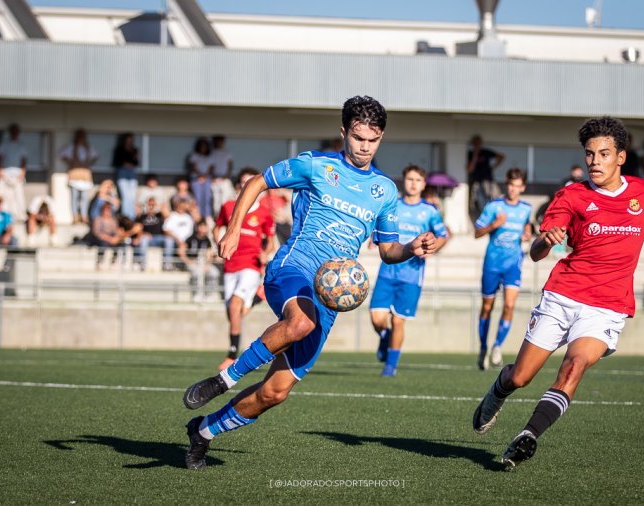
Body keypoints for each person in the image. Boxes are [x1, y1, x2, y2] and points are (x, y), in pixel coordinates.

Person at [180, 96, 439, 471]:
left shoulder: (385, 191)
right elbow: (258, 182)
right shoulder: (316, 165)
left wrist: (413, 248)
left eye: (373, 139)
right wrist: (234, 229)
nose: (364, 146)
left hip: (330, 298)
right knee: (300, 323)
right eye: (357, 137)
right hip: (293, 268)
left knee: (275, 392)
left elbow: (387, 250)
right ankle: (225, 378)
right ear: (344, 133)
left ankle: (203, 432)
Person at [471, 116, 644, 469]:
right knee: (521, 376)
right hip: (563, 295)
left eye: (603, 153)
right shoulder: (572, 195)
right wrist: (544, 241)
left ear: (621, 157)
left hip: (607, 306)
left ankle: (528, 435)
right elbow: (539, 250)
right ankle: (498, 390)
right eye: (589, 154)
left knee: (575, 365)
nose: (594, 161)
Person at [369, 164, 448, 377]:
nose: (413, 183)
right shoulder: (392, 205)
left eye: (418, 180)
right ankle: (385, 338)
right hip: (387, 272)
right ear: (404, 181)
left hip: (411, 276)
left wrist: (431, 249)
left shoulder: (429, 211)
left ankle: (390, 367)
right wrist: (372, 238)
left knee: (397, 320)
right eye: (410, 179)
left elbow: (443, 235)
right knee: (377, 319)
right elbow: (379, 225)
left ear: (423, 185)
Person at [213, 167, 276, 370]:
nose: (246, 186)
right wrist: (219, 244)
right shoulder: (228, 206)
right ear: (238, 185)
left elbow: (270, 241)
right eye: (243, 182)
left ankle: (232, 355)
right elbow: (217, 228)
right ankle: (259, 297)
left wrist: (265, 253)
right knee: (234, 311)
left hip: (251, 264)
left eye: (251, 182)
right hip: (231, 264)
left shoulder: (265, 212)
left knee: (234, 306)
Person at [474, 168, 532, 370]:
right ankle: (483, 347)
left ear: (522, 187)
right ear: (506, 185)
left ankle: (497, 346)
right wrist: (494, 225)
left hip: (513, 265)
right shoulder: (494, 206)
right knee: (487, 308)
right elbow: (477, 233)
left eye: (517, 186)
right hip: (492, 263)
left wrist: (527, 233)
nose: (513, 189)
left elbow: (527, 228)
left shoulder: (526, 208)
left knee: (509, 306)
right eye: (510, 185)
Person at [60, 128, 98, 224]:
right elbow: (62, 155)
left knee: (84, 197)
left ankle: (84, 215)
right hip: (75, 174)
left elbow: (95, 156)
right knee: (75, 196)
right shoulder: (72, 147)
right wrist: (71, 162)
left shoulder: (88, 148)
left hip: (85, 175)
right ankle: (75, 216)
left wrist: (88, 163)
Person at [466, 135, 505, 222]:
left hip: (489, 181)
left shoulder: (485, 152)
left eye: (479, 143)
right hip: (477, 182)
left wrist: (493, 167)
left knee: (494, 200)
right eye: (475, 143)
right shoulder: (470, 154)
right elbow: (469, 169)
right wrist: (475, 156)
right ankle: (484, 220)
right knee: (480, 203)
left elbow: (501, 157)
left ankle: (495, 218)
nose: (477, 145)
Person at [0, 123, 28, 222]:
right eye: (13, 131)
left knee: (18, 197)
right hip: (5, 174)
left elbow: (24, 159)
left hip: (17, 175)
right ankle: (0, 214)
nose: (15, 134)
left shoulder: (21, 145)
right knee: (0, 194)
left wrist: (23, 171)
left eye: (16, 132)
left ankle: (20, 216)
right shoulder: (5, 144)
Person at [135, 197, 174, 271]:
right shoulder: (142, 216)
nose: (151, 206)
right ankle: (143, 263)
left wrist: (158, 206)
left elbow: (168, 215)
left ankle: (167, 264)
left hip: (159, 237)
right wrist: (145, 233)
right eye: (149, 204)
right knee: (143, 239)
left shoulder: (159, 215)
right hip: (148, 238)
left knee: (169, 240)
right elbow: (138, 228)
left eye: (153, 204)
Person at [112, 133, 140, 220]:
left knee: (131, 196)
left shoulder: (134, 150)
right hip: (122, 173)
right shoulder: (119, 150)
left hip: (131, 174)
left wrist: (132, 163)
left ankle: (132, 216)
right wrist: (125, 164)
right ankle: (125, 217)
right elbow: (116, 162)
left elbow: (136, 162)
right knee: (125, 196)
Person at [163, 198, 196, 270]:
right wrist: (178, 241)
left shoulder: (189, 217)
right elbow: (166, 231)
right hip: (175, 241)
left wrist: (192, 209)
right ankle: (168, 264)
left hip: (188, 241)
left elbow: (198, 221)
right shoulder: (172, 215)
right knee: (169, 241)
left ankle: (191, 264)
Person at [188, 137, 213, 221]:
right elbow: (193, 167)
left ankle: (206, 217)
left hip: (207, 179)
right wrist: (200, 176)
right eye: (201, 146)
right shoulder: (194, 155)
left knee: (207, 198)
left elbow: (211, 168)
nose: (203, 148)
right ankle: (197, 217)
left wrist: (204, 177)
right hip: (196, 179)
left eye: (205, 146)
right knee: (197, 198)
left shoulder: (209, 157)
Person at [210, 136, 235, 216]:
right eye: (217, 141)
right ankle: (217, 217)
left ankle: (226, 216)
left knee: (225, 198)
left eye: (221, 141)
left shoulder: (227, 153)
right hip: (215, 179)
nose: (219, 143)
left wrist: (226, 176)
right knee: (216, 200)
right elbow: (210, 166)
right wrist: (213, 177)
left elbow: (230, 165)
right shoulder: (212, 153)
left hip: (225, 179)